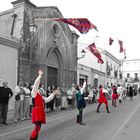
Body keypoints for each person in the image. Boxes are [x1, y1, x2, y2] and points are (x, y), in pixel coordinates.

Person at [29, 70, 57, 140]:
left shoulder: (40, 96)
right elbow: (36, 85)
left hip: (40, 111)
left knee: (38, 127)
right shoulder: (34, 93)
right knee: (37, 128)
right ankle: (31, 139)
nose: (39, 89)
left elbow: (47, 100)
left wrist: (53, 94)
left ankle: (35, 138)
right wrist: (40, 76)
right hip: (37, 111)